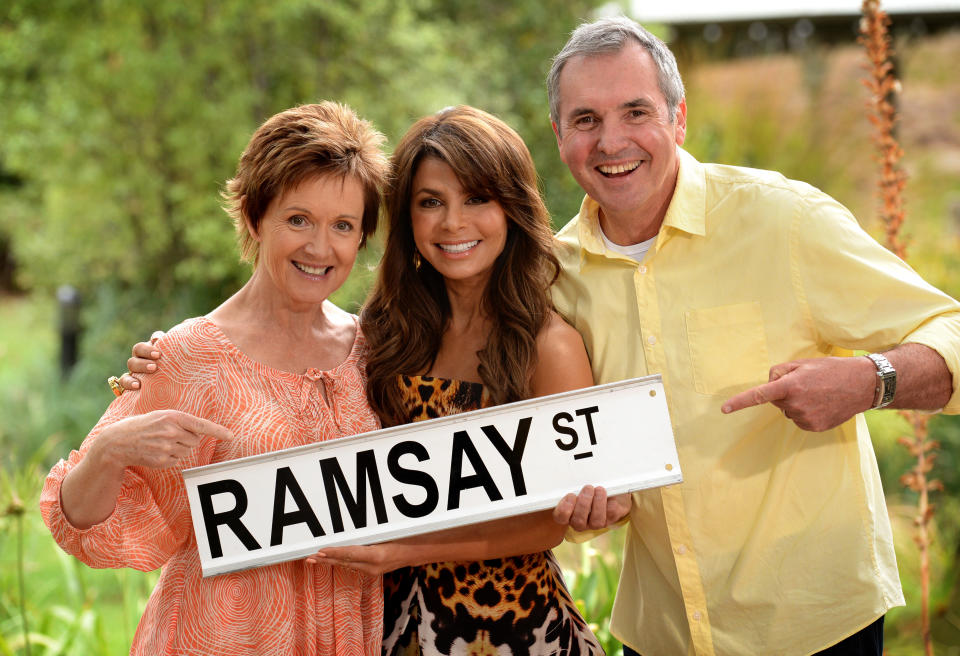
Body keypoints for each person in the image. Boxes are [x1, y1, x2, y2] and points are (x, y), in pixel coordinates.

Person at [118, 106, 605, 655]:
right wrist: (177, 357)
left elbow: (547, 524)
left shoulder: (547, 343)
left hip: (508, 626)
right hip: (383, 623)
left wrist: (405, 550)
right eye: (430, 203)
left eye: (477, 199)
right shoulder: (384, 334)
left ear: (512, 208)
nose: (452, 224)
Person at [546, 16, 960, 656]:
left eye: (636, 112)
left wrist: (869, 381)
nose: (611, 141)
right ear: (559, 135)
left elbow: (952, 328)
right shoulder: (553, 276)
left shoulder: (784, 219)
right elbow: (569, 459)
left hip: (818, 628)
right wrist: (581, 512)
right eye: (586, 120)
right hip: (665, 637)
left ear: (679, 118)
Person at [41, 101, 390, 655]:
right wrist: (107, 449)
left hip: (351, 632)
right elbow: (82, 528)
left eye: (343, 226)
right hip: (224, 637)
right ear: (254, 217)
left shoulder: (375, 352)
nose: (321, 247)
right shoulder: (187, 355)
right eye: (298, 219)